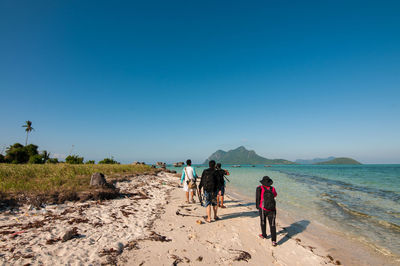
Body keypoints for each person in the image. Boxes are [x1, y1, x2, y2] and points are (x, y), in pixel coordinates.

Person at [256, 176, 278, 246]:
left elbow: (257, 198)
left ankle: (264, 235)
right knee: (272, 224)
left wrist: (257, 206)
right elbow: (275, 195)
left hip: (262, 208)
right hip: (272, 209)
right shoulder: (273, 188)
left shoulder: (259, 188)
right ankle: (274, 241)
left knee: (263, 221)